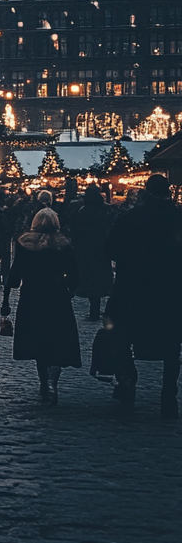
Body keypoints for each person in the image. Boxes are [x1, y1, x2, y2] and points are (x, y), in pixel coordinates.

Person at [104, 174, 182, 418]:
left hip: (132, 289)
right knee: (172, 345)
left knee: (120, 336)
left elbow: (110, 249)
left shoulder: (131, 218)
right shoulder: (178, 217)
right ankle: (169, 394)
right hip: (170, 290)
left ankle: (127, 385)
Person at [1, 208, 81, 406]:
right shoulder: (63, 244)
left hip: (32, 296)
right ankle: (53, 382)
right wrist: (72, 287)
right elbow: (74, 274)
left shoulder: (25, 244)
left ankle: (45, 381)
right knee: (57, 339)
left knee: (38, 340)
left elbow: (15, 272)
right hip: (57, 296)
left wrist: (6, 297)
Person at [67, 184, 113, 320]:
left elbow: (75, 231)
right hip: (102, 250)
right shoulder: (106, 210)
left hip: (86, 251)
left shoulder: (82, 211)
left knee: (90, 280)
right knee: (99, 280)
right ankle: (97, 309)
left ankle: (94, 310)